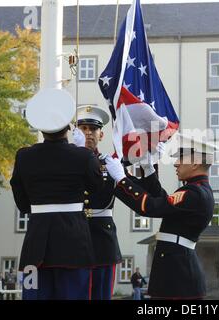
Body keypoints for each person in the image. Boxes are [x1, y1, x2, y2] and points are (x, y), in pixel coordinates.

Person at [10, 88, 103, 300]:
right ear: (69, 127)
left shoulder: (24, 157)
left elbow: (23, 203)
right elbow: (97, 188)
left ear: (41, 128)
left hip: (36, 244)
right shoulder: (82, 157)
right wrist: (87, 155)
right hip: (74, 244)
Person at [105, 134, 216, 299]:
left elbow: (151, 206)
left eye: (181, 158)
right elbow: (162, 201)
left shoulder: (193, 193)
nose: (176, 163)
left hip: (177, 272)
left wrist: (121, 179)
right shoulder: (197, 190)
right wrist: (150, 171)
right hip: (177, 266)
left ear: (195, 163)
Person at [76, 105, 122, 300]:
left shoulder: (109, 163)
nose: (88, 133)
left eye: (93, 129)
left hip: (102, 238)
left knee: (101, 295)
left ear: (101, 135)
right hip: (74, 234)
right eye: (83, 128)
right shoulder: (67, 162)